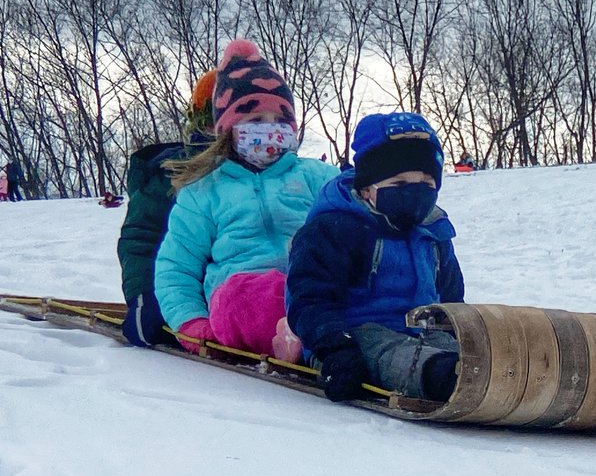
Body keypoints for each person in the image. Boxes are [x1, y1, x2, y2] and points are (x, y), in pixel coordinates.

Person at [154, 39, 337, 356]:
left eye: (280, 122)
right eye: (255, 122)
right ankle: (303, 340)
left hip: (311, 291)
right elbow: (176, 266)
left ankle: (316, 337)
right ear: (229, 129)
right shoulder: (204, 192)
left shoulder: (317, 177)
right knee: (244, 296)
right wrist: (191, 323)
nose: (271, 132)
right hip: (244, 300)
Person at [285, 111, 464, 403]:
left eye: (427, 184)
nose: (415, 193)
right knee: (388, 351)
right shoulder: (336, 228)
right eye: (400, 185)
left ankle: (493, 373)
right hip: (349, 337)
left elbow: (452, 299)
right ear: (367, 188)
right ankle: (444, 377)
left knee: (465, 350)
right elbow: (309, 297)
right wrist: (334, 348)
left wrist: (466, 334)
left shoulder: (433, 233)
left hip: (421, 330)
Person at [116, 69, 216, 347]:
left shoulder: (264, 171)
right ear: (200, 123)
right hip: (183, 300)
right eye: (213, 122)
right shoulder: (171, 175)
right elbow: (142, 238)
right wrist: (144, 294)